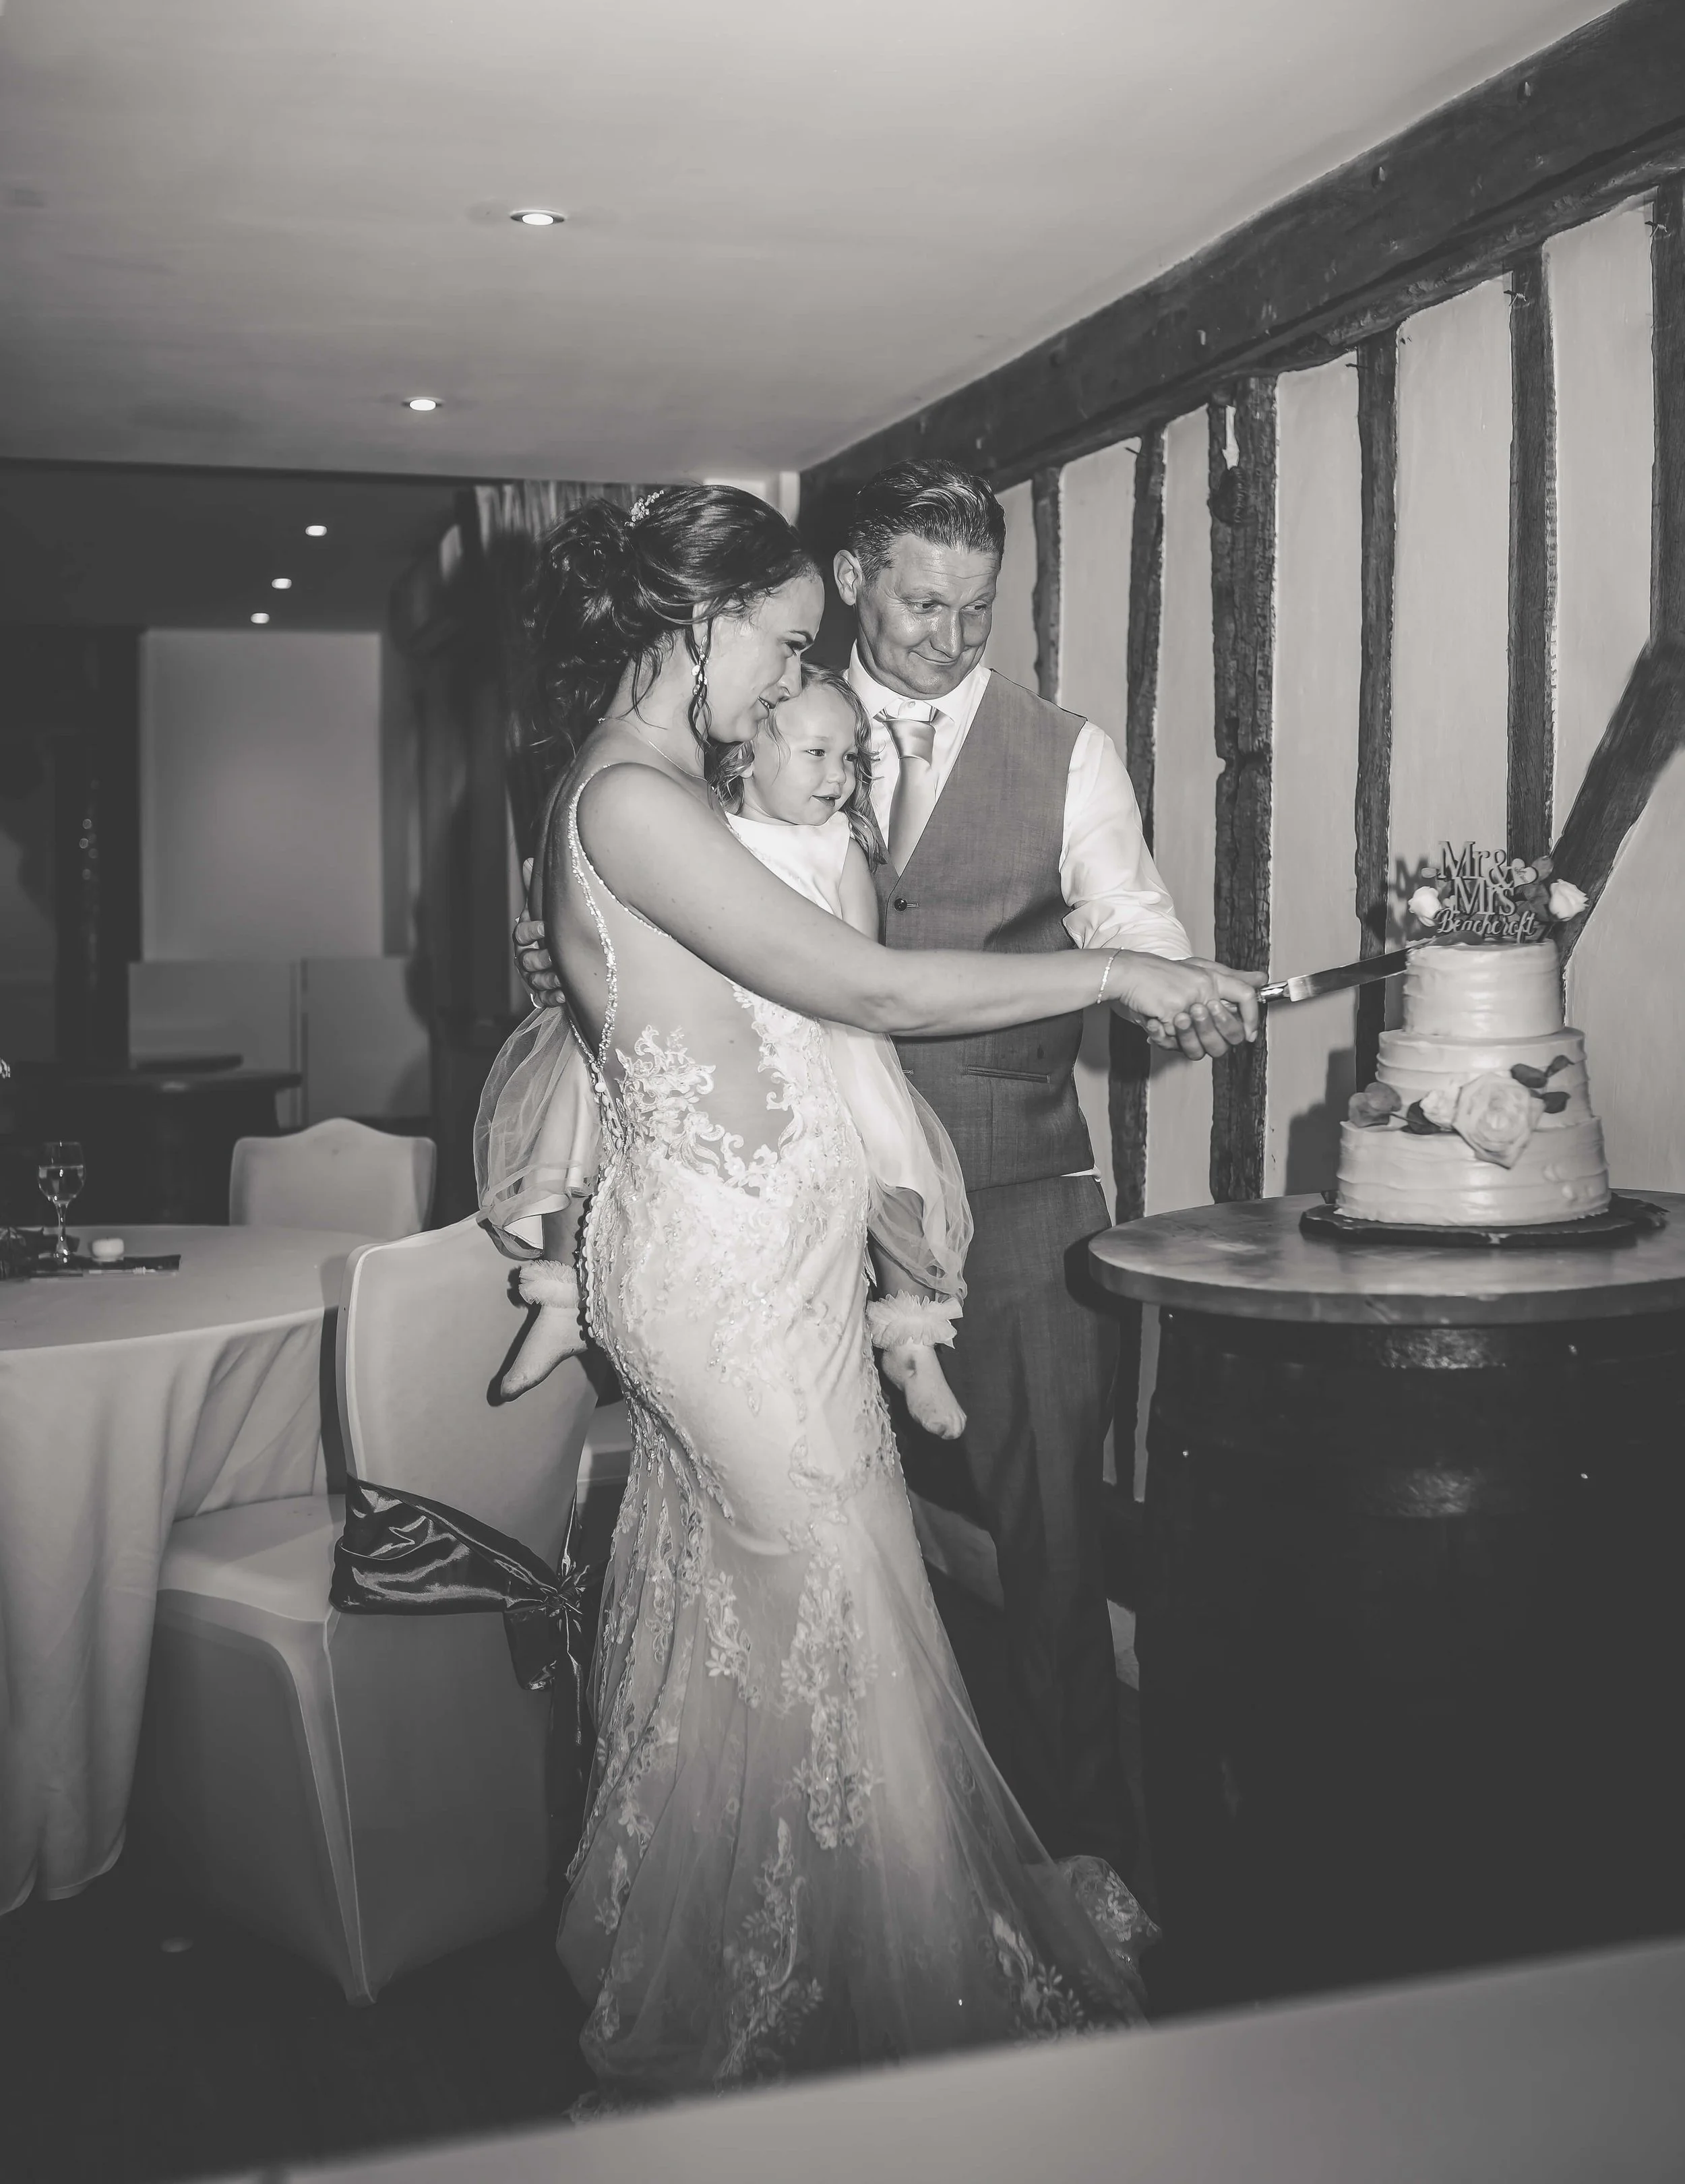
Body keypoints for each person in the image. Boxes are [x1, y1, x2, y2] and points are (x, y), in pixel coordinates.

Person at [510, 483, 1258, 2098]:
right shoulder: (633, 800)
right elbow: (863, 984)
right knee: (844, 1610)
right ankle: (893, 1996)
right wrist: (1116, 967)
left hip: (754, 1265)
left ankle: (742, 1937)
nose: (789, 682)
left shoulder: (660, 784)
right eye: (778, 643)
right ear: (688, 623)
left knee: (749, 1618)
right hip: (727, 1288)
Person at [481, 663, 974, 1442]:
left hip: (817, 1040)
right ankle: (558, 1299)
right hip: (693, 1045)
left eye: (850, 759)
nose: (839, 777)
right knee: (578, 1112)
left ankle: (912, 1337)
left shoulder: (835, 848)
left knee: (896, 1167)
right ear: (747, 754)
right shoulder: (699, 826)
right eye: (817, 754)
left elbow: (856, 963)